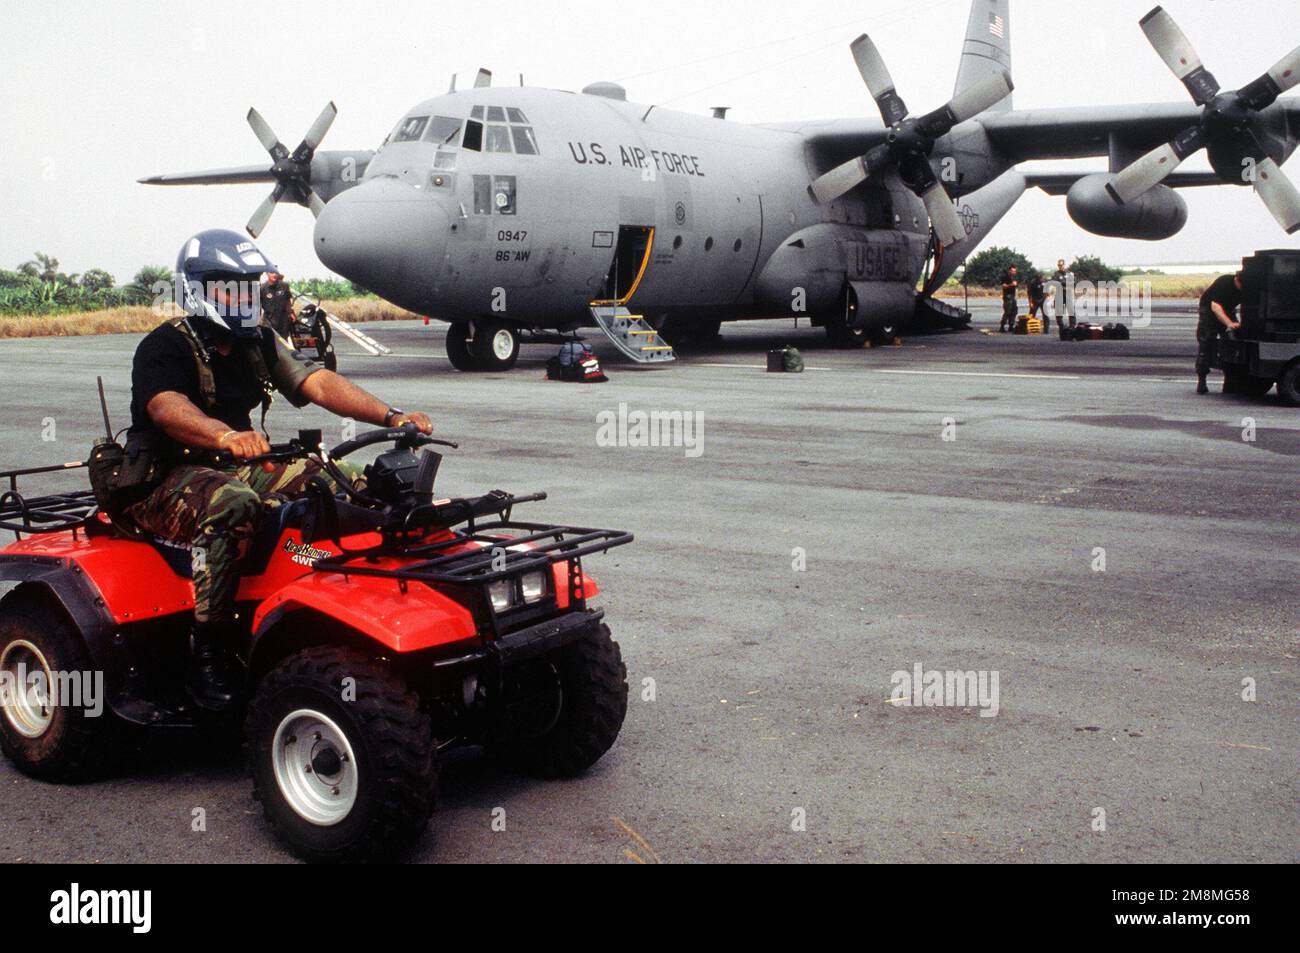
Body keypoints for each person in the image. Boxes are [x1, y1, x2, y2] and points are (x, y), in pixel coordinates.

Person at [126, 229, 432, 709]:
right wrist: (225, 436)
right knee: (234, 505)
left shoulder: (257, 342)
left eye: (250, 286)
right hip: (165, 477)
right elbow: (166, 407)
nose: (245, 298)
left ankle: (366, 596)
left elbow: (318, 383)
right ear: (197, 290)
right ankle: (208, 647)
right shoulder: (164, 346)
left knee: (346, 478)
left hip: (234, 462)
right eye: (231, 286)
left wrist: (393, 417)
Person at [1195, 270, 1244, 394]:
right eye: (1242, 285)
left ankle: (1229, 382)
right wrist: (1229, 324)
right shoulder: (1224, 283)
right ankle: (1202, 380)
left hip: (1227, 309)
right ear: (1237, 279)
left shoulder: (1246, 286)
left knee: (1232, 343)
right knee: (1207, 341)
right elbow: (1215, 307)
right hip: (1209, 310)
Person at [260, 270, 294, 340]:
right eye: (272, 273)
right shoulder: (262, 288)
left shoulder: (284, 286)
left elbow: (288, 301)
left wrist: (291, 313)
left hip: (283, 321)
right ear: (267, 273)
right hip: (268, 322)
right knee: (269, 343)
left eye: (276, 273)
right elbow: (258, 306)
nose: (274, 275)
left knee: (283, 343)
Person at [1051, 259, 1074, 334]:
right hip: (1059, 295)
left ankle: (1072, 327)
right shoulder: (1056, 274)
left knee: (1071, 311)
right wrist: (1065, 283)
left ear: (1064, 265)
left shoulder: (1070, 273)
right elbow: (1055, 282)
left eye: (1061, 265)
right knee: (1058, 314)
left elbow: (1073, 282)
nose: (1060, 267)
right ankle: (1062, 328)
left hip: (1068, 294)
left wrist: (1063, 283)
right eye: (1059, 265)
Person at [1000, 266, 1020, 333]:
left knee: (1014, 311)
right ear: (1009, 271)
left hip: (1013, 296)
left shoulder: (1014, 278)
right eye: (1012, 271)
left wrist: (1016, 296)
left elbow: (1016, 288)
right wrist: (1011, 284)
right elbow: (1004, 286)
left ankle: (1011, 326)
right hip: (1007, 296)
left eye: (1014, 271)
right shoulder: (1005, 277)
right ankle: (1002, 326)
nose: (1013, 272)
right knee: (1007, 311)